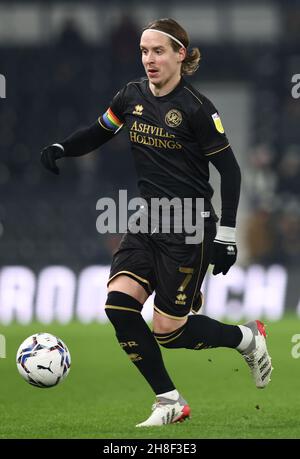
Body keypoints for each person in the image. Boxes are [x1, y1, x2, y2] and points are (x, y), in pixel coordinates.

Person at [40, 18, 273, 427]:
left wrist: (227, 234)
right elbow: (98, 131)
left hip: (190, 227)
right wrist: (63, 147)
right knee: (118, 305)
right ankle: (168, 400)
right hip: (147, 219)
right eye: (144, 51)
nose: (149, 59)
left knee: (169, 331)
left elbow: (230, 172)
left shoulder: (197, 109)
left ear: (180, 55)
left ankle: (246, 338)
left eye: (158, 51)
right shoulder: (130, 95)